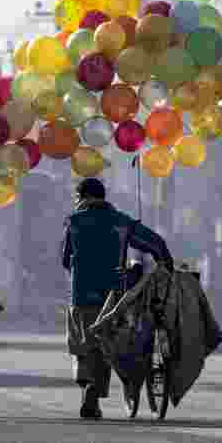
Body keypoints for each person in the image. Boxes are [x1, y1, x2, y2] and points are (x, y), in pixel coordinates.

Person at [60, 178, 173, 420]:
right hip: (112, 297)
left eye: (77, 198)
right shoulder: (120, 222)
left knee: (83, 347)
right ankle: (94, 390)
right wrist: (166, 263)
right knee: (104, 346)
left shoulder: (73, 222)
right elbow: (154, 243)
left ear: (84, 197)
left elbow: (65, 258)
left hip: (80, 295)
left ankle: (88, 389)